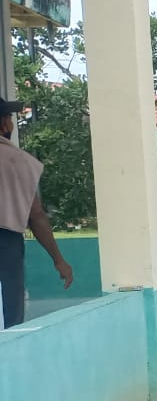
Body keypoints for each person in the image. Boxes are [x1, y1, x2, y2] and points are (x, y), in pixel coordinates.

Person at [0, 99, 74, 328]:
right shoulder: (17, 161)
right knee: (11, 312)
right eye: (10, 119)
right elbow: (36, 216)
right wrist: (58, 260)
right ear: (4, 124)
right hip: (6, 243)